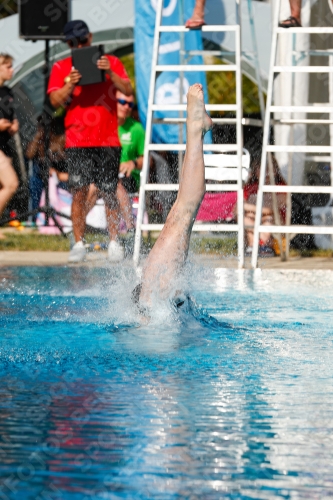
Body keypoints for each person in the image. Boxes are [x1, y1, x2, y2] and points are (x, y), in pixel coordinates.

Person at [48, 20, 133, 263]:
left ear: (91, 37)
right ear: (68, 44)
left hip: (107, 138)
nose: (80, 45)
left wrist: (109, 73)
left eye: (83, 40)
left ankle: (114, 241)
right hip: (77, 140)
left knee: (109, 190)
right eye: (75, 42)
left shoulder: (112, 62)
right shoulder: (62, 66)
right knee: (79, 192)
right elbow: (54, 101)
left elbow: (127, 89)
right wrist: (70, 84)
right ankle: (78, 243)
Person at [133, 83, 212, 312]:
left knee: (183, 212)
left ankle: (195, 131)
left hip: (151, 317)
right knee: (183, 212)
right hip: (153, 318)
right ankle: (195, 131)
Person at [0, 53, 19, 239]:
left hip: (5, 145)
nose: (12, 70)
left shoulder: (7, 92)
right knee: (11, 183)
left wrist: (13, 124)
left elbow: (11, 117)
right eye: (8, 67)